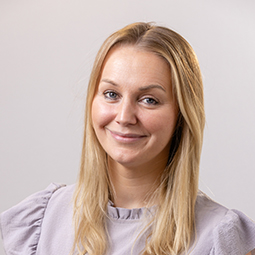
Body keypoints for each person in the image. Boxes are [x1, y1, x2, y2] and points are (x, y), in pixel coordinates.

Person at [1, 22, 255, 255]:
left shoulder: (218, 237)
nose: (124, 117)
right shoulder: (44, 219)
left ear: (182, 114)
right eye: (111, 94)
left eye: (149, 100)